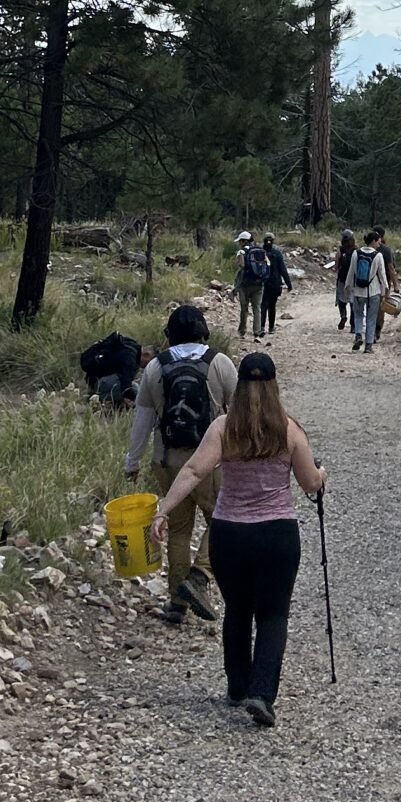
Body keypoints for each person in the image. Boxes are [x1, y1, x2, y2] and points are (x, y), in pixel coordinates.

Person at [153, 349, 325, 726]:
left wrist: (164, 509)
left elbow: (195, 469)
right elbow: (310, 483)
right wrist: (323, 474)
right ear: (274, 386)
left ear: (240, 387)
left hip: (229, 534)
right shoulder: (288, 428)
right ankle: (262, 694)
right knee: (274, 613)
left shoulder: (223, 427)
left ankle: (236, 686)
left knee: (238, 610)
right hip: (277, 534)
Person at [124, 305, 239, 624]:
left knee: (178, 529)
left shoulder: (155, 369)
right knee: (222, 520)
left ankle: (177, 603)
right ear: (204, 332)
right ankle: (200, 576)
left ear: (169, 335)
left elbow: (143, 420)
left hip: (167, 461)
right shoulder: (220, 363)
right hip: (210, 463)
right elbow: (241, 412)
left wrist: (131, 462)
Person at [349, 229, 386, 352]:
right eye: (378, 241)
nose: (380, 244)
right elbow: (382, 275)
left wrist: (348, 287)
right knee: (371, 318)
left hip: (358, 291)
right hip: (373, 292)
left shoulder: (356, 253)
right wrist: (385, 291)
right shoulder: (378, 255)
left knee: (358, 315)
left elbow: (352, 272)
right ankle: (368, 346)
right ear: (374, 241)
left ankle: (358, 334)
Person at [234, 231, 272, 338]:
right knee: (257, 308)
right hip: (259, 284)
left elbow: (241, 265)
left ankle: (242, 330)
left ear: (243, 241)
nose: (239, 243)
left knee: (244, 308)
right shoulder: (260, 250)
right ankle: (257, 330)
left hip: (245, 284)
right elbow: (268, 264)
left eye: (240, 241)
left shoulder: (241, 252)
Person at [259, 232, 290, 336]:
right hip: (275, 283)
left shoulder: (259, 252)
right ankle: (271, 328)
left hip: (263, 283)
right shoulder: (277, 253)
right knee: (272, 306)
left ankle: (261, 327)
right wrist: (289, 284)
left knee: (263, 305)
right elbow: (283, 269)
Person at [333, 226, 357, 334]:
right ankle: (353, 326)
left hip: (342, 279)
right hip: (353, 280)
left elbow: (336, 264)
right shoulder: (356, 250)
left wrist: (337, 268)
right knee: (353, 302)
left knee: (341, 300)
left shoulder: (340, 249)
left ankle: (343, 315)